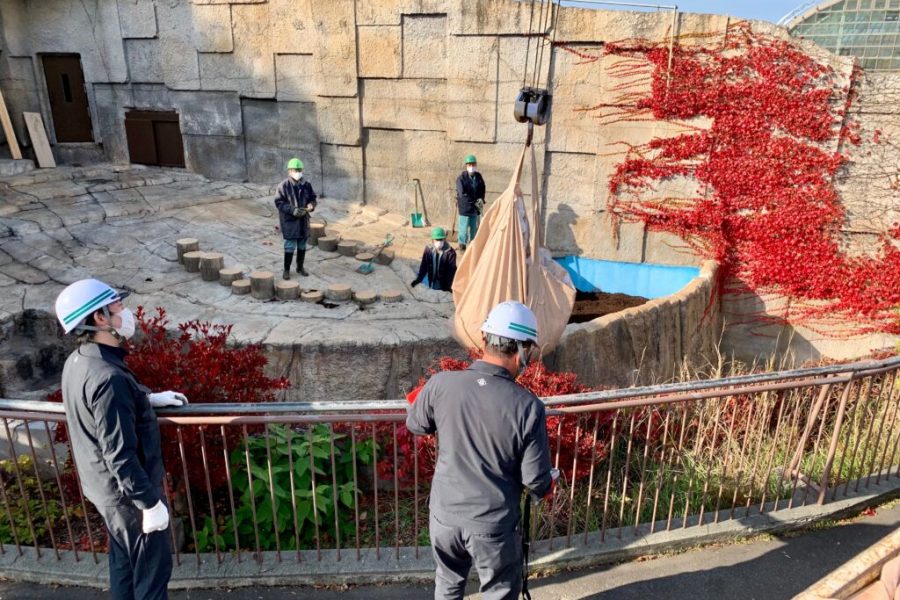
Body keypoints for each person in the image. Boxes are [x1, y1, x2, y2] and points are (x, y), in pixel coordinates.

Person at [406, 301, 553, 600]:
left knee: (447, 583)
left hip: (444, 516)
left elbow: (417, 425)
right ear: (523, 350)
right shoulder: (528, 407)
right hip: (493, 524)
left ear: (485, 339)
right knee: (498, 592)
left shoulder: (441, 384)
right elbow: (535, 480)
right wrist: (549, 482)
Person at [55, 278, 188, 600]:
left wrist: (144, 398)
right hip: (129, 498)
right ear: (100, 318)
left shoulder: (81, 361)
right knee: (151, 578)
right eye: (118, 307)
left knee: (125, 569)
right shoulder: (109, 377)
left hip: (106, 492)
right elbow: (119, 454)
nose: (125, 313)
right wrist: (149, 504)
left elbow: (100, 411)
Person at [274, 157, 317, 279]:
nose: (297, 172)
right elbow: (279, 203)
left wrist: (311, 205)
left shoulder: (306, 185)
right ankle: (286, 270)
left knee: (302, 245)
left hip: (303, 221)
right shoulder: (283, 186)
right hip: (290, 222)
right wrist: (292, 210)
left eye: (299, 169)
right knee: (290, 246)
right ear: (289, 171)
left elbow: (313, 199)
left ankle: (300, 267)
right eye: (295, 170)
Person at [411, 227, 457, 292]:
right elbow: (424, 265)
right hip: (432, 279)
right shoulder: (428, 250)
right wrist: (418, 279)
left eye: (441, 239)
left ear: (444, 239)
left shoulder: (450, 253)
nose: (439, 242)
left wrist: (449, 287)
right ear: (432, 240)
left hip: (444, 282)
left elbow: (451, 271)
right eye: (437, 240)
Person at [455, 154, 486, 250]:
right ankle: (462, 245)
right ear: (466, 166)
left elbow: (482, 188)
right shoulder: (461, 178)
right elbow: (461, 193)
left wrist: (481, 199)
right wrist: (472, 201)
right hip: (465, 207)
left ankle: (473, 244)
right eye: (469, 165)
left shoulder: (479, 176)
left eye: (473, 164)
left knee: (474, 227)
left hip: (476, 207)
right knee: (463, 228)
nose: (471, 167)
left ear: (476, 165)